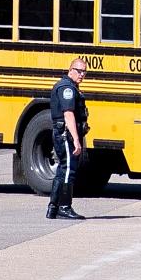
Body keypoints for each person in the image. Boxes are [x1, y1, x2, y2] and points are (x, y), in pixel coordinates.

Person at [47, 58, 91, 220]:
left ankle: (53, 207)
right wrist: (76, 140)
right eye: (79, 71)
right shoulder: (67, 88)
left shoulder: (70, 87)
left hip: (63, 133)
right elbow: (68, 113)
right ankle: (64, 207)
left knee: (62, 169)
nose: (82, 75)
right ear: (70, 70)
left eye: (84, 71)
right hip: (65, 134)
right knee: (68, 171)